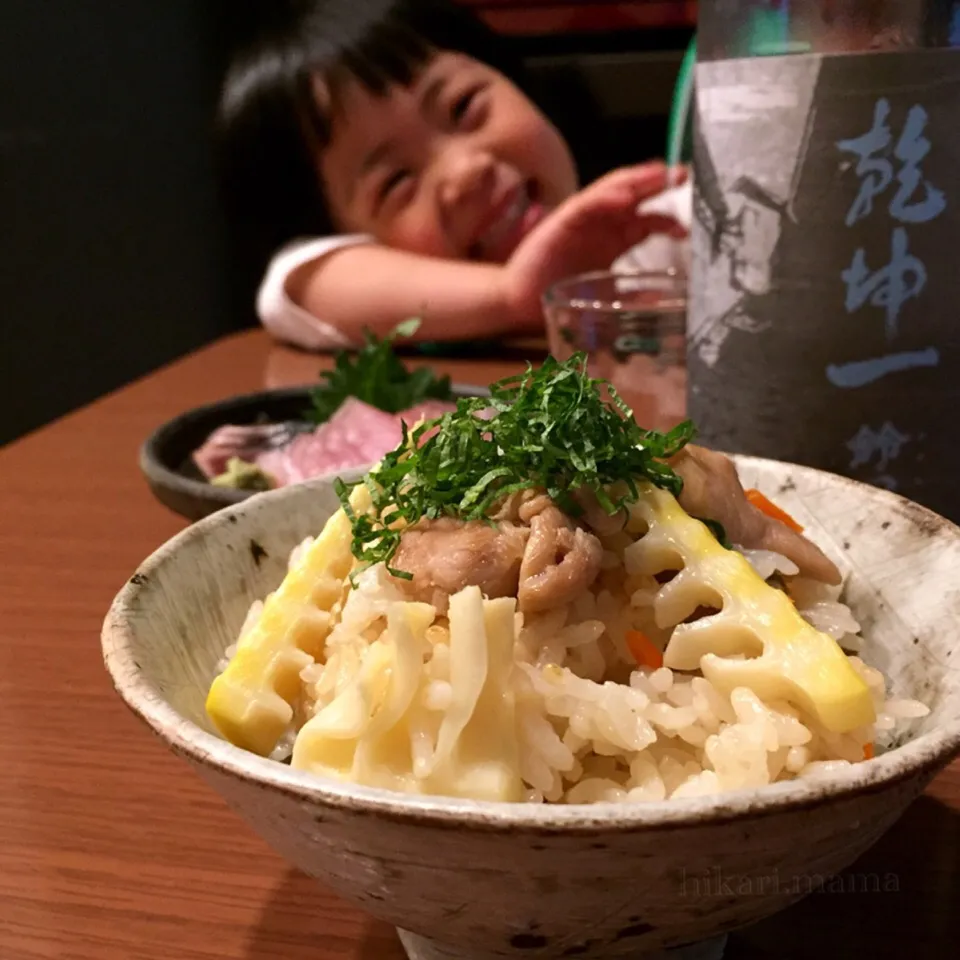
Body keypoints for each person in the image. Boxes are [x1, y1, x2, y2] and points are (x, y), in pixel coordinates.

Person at [218, 0, 692, 350]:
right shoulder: (398, 306)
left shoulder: (667, 222)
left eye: (464, 107)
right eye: (397, 182)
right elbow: (297, 284)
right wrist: (513, 296)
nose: (464, 171)